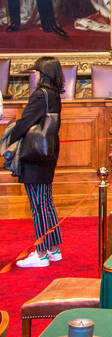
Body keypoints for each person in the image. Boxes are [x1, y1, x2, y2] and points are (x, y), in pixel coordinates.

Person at [1, 55, 63, 268]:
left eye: (35, 72)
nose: (33, 76)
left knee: (38, 205)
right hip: (48, 153)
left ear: (43, 74)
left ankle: (41, 252)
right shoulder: (54, 95)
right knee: (46, 202)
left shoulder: (40, 95)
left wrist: (7, 135)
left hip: (34, 154)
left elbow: (25, 123)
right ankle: (54, 249)